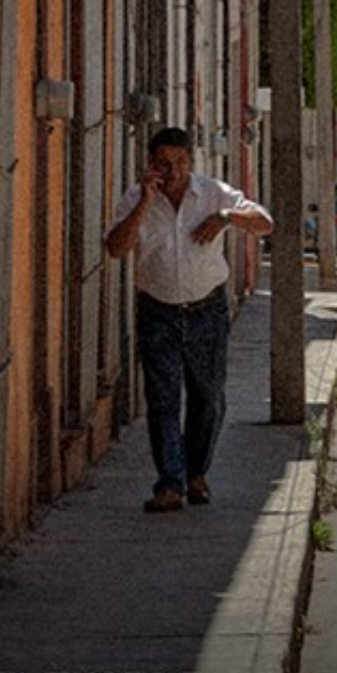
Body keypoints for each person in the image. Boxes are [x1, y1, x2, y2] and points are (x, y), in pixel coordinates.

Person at [103, 128, 274, 513]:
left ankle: (196, 473)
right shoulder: (135, 199)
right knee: (162, 400)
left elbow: (265, 222)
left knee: (208, 397)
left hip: (206, 310)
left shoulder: (212, 192)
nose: (173, 171)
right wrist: (144, 204)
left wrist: (227, 216)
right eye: (164, 163)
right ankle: (170, 483)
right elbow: (116, 248)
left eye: (180, 163)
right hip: (158, 310)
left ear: (190, 162)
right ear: (151, 164)